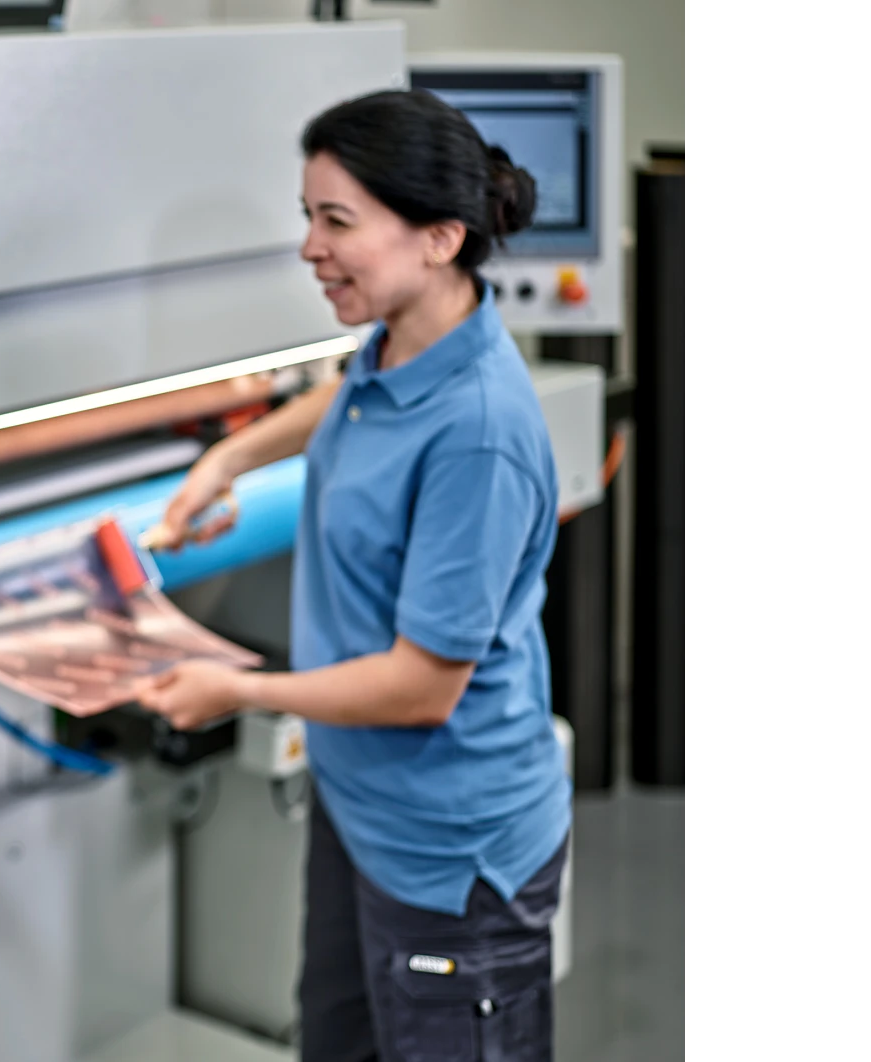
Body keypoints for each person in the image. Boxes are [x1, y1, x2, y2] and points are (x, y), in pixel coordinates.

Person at [136, 89, 571, 1062]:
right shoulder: (398, 345)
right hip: (362, 812)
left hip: (451, 855)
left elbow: (422, 689)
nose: (309, 248)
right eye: (308, 217)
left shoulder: (480, 435)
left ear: (439, 238)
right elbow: (348, 398)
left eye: (337, 221)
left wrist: (233, 691)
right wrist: (225, 462)